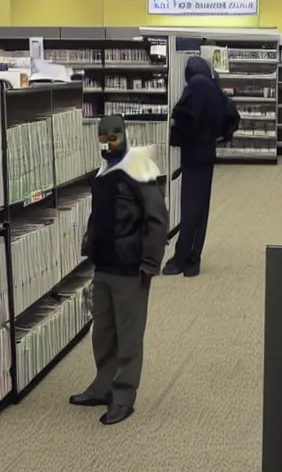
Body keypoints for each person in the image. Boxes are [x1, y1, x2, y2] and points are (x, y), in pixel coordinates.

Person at [69, 115, 168, 426]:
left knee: (128, 335)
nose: (108, 141)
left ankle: (124, 396)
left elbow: (157, 218)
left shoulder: (139, 169)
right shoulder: (104, 170)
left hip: (130, 267)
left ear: (125, 134)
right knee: (104, 331)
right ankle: (103, 386)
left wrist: (150, 262)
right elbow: (99, 214)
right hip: (104, 265)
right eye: (103, 136)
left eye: (114, 135)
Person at [162, 56, 230, 278]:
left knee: (189, 207)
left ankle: (181, 258)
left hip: (192, 156)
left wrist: (175, 136)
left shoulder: (193, 89)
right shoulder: (214, 89)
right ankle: (194, 258)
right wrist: (217, 135)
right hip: (208, 153)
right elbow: (231, 115)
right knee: (201, 208)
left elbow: (183, 120)